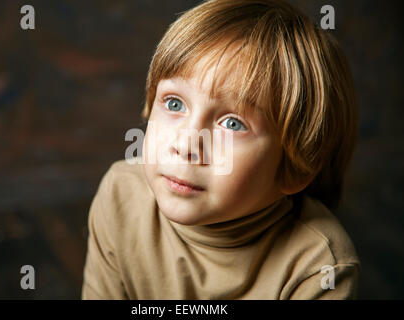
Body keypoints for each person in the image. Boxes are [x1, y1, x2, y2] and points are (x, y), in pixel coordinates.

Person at [82, 0, 360, 299]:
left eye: (233, 124)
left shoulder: (318, 267)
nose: (186, 145)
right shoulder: (120, 196)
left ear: (295, 169)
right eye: (174, 104)